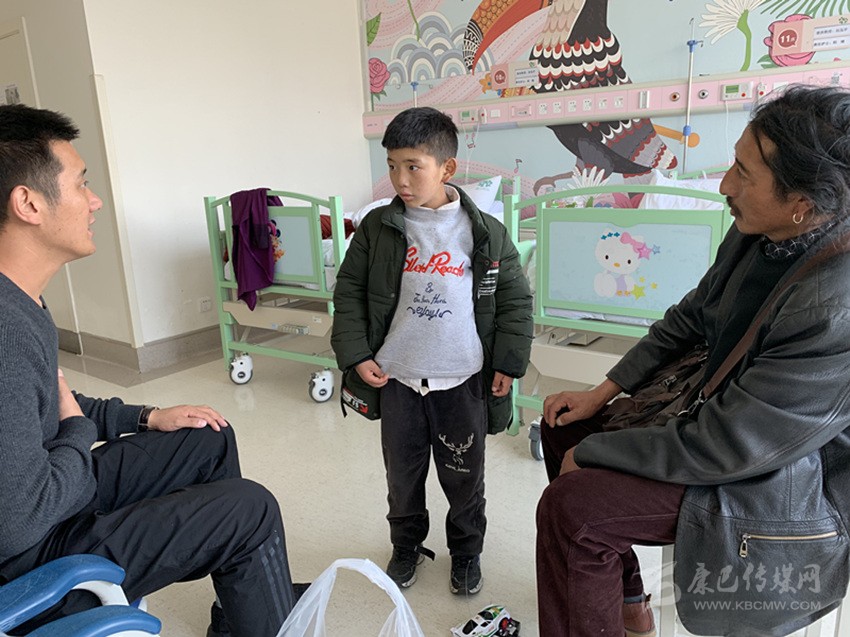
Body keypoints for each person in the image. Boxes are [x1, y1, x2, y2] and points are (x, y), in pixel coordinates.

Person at [536, 84, 850, 637]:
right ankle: (625, 599)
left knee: (573, 507)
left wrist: (595, 452)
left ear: (802, 202)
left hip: (780, 471)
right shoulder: (760, 231)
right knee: (563, 424)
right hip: (724, 416)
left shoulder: (832, 309)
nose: (725, 185)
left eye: (744, 174)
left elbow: (730, 444)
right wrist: (601, 393)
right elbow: (691, 315)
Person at [0, 103, 298, 637]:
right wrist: (79, 431)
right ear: (29, 203)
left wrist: (145, 416)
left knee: (207, 436)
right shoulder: (4, 332)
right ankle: (252, 575)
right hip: (28, 562)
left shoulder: (21, 299)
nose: (94, 201)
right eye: (81, 183)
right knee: (250, 508)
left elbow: (43, 405)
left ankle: (244, 603)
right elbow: (20, 519)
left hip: (49, 495)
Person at [331, 106, 532, 595]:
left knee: (464, 477)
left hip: (462, 378)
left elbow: (514, 299)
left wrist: (508, 363)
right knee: (402, 477)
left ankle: (466, 552)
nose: (400, 179)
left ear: (447, 168)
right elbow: (349, 292)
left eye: (413, 166)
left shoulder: (483, 231)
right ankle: (406, 545)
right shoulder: (377, 228)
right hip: (397, 377)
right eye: (392, 165)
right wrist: (357, 355)